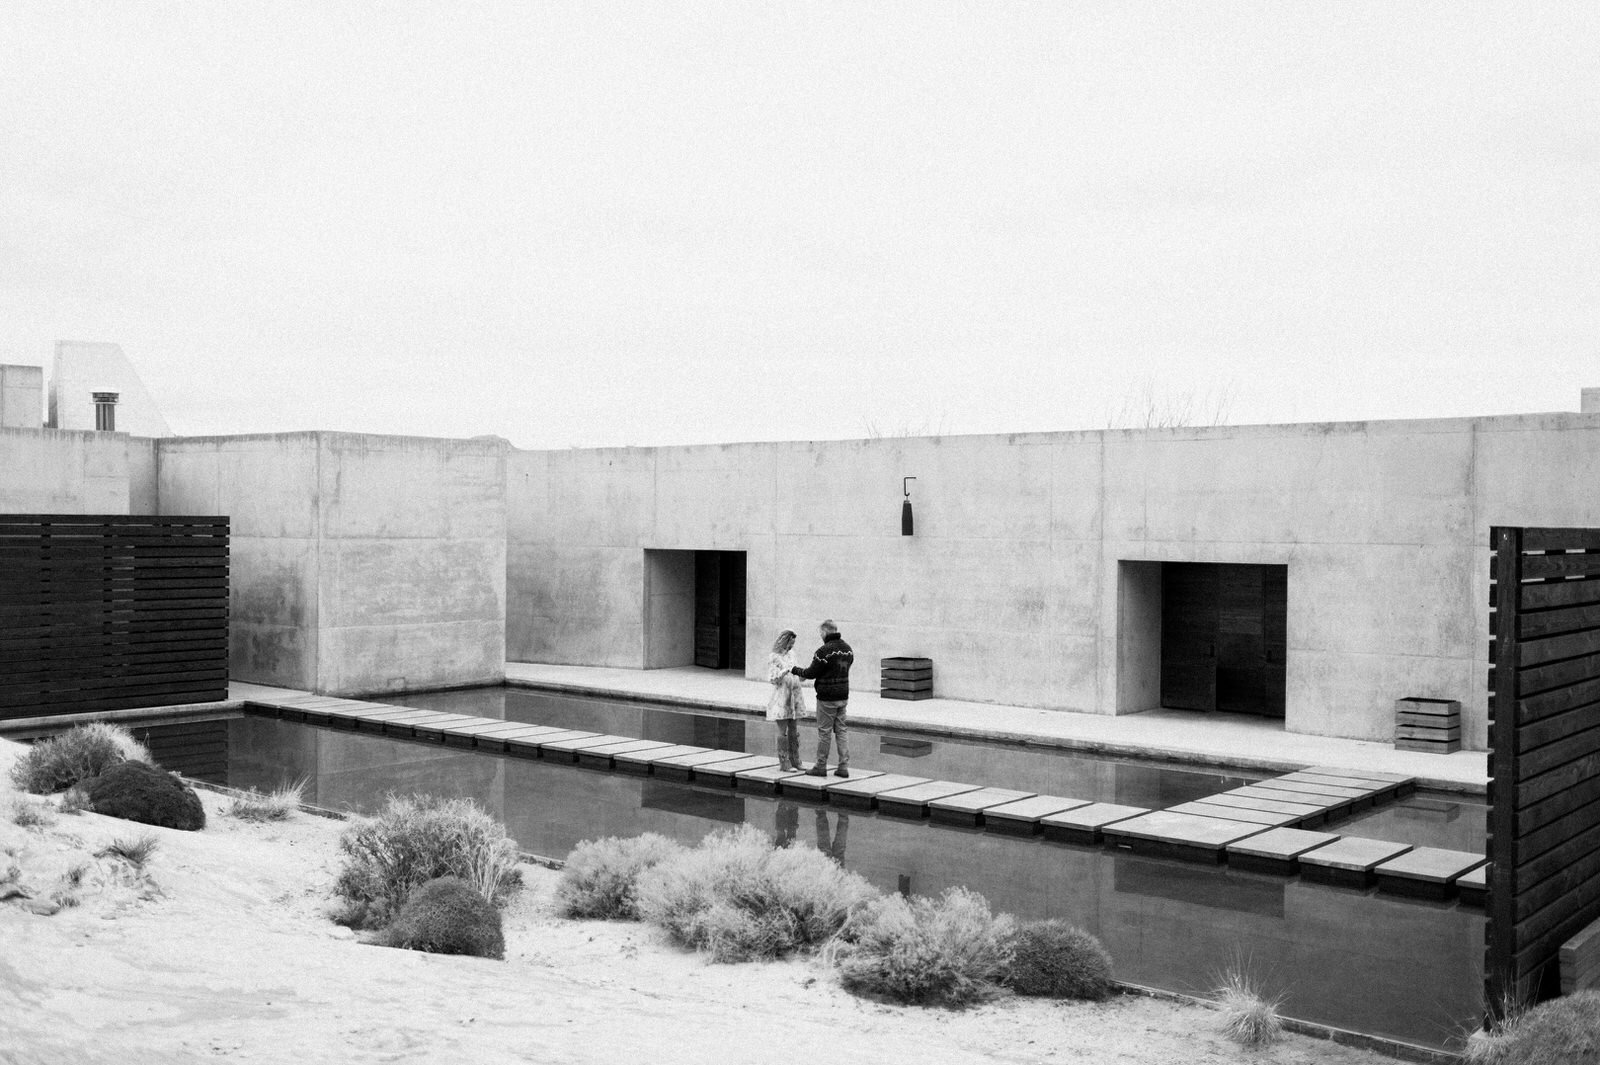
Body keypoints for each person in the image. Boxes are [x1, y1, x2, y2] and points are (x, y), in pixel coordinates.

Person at [791, 619, 854, 777]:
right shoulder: (848, 649)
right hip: (843, 695)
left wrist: (794, 670)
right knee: (841, 731)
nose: (820, 635)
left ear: (825, 632)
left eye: (821, 633)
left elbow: (811, 673)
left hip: (827, 697)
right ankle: (843, 767)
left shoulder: (823, 651)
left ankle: (821, 766)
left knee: (824, 732)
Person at [765, 629, 805, 771]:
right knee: (783, 731)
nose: (791, 647)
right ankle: (784, 762)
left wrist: (802, 675)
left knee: (794, 729)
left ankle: (796, 760)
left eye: (793, 644)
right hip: (782, 697)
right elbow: (772, 678)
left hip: (794, 696)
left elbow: (796, 671)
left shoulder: (792, 655)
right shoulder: (773, 657)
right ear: (783, 641)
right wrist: (784, 671)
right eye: (790, 643)